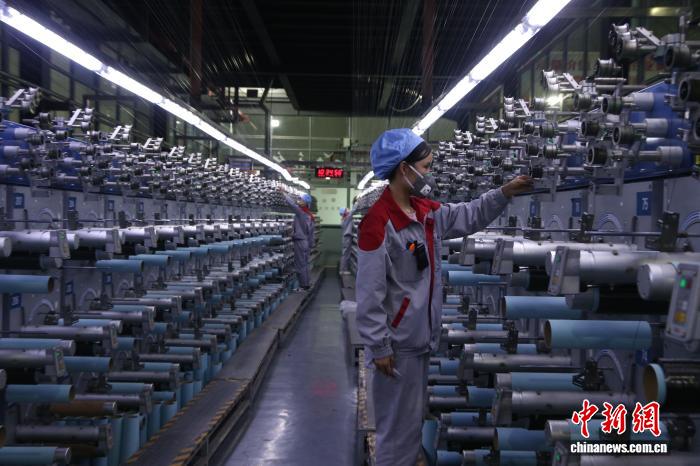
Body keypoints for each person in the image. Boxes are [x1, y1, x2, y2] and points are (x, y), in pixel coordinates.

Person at [355, 128, 532, 466]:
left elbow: (468, 215)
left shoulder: (425, 212)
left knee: (409, 429)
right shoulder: (378, 223)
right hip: (397, 348)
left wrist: (503, 193)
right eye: (425, 167)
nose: (429, 174)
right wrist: (378, 346)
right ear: (404, 169)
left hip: (418, 341)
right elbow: (369, 293)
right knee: (396, 434)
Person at [283, 192, 315, 290]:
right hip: (305, 242)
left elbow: (292, 204)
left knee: (300, 265)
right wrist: (310, 245)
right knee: (305, 264)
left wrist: (283, 193)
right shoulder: (310, 215)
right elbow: (312, 233)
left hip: (300, 242)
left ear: (305, 203)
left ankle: (303, 286)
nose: (298, 201)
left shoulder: (301, 213)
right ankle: (306, 283)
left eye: (301, 199)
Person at [339, 206, 353, 272]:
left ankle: (343, 269)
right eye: (346, 209)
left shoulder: (344, 219)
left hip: (345, 238)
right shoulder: (347, 218)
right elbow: (353, 211)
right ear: (345, 212)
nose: (348, 209)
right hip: (347, 238)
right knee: (346, 254)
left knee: (345, 253)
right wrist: (357, 203)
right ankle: (343, 270)